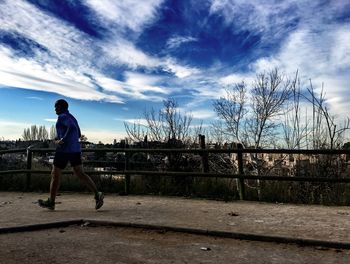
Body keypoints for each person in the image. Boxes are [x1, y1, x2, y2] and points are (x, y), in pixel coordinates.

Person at [38, 99, 104, 210]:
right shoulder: (72, 117)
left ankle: (51, 202)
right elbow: (78, 133)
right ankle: (98, 194)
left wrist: (62, 140)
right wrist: (59, 138)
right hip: (75, 149)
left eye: (56, 107)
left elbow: (72, 129)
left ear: (61, 107)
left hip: (63, 150)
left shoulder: (62, 116)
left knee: (55, 174)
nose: (55, 109)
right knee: (80, 173)